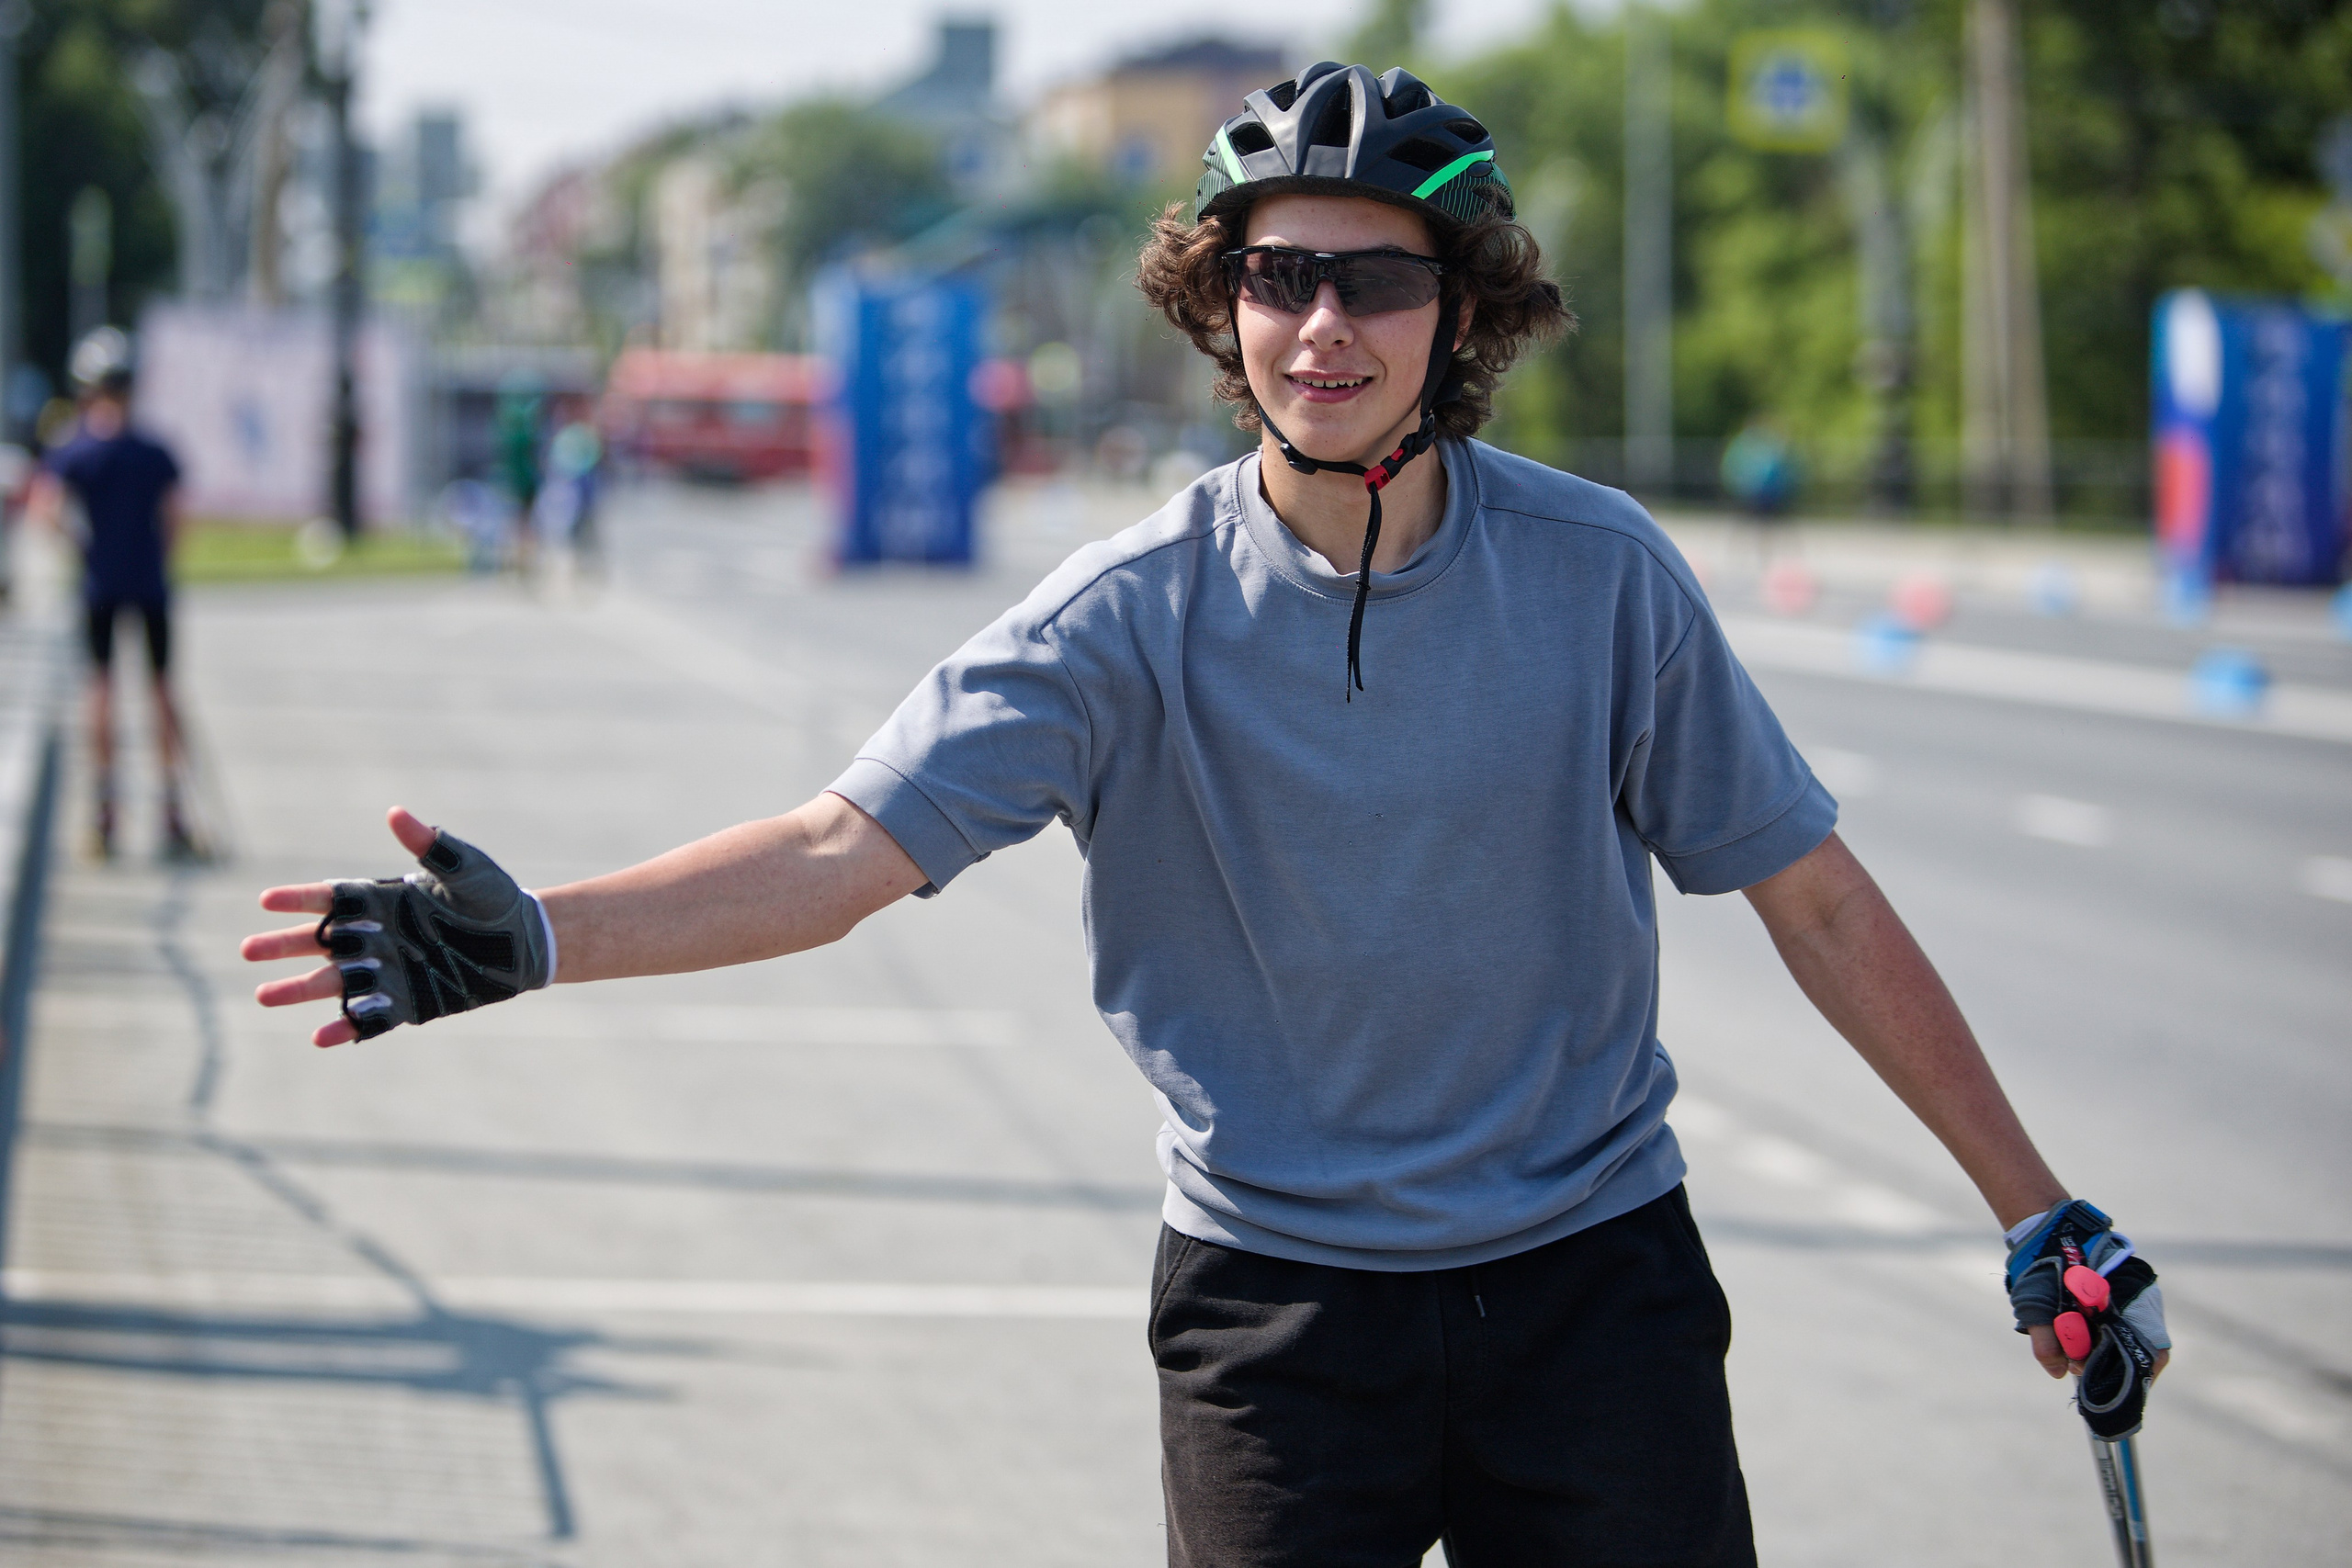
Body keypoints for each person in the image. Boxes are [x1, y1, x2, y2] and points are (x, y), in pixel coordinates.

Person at [243, 64, 2170, 1565]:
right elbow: (843, 853)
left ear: (1461, 310)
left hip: (1593, 1289)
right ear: (1219, 301)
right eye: (1277, 275)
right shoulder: (1119, 622)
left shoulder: (1599, 579)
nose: (1320, 326)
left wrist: (2033, 1209)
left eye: (1375, 279)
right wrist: (545, 933)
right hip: (1277, 1315)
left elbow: (1814, 899)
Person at [32, 328, 195, 859]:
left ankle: (105, 805)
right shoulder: (152, 450)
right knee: (161, 689)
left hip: (100, 583)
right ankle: (171, 806)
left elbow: (47, 511)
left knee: (100, 688)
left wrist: (82, 548)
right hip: (149, 583)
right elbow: (174, 520)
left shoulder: (76, 449)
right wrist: (156, 556)